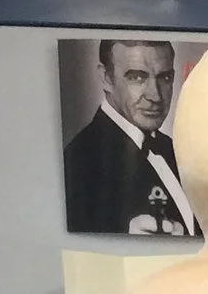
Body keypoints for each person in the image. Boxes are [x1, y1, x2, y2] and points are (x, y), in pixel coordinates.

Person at [61, 38, 200, 237]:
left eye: (165, 78)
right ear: (106, 78)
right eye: (137, 77)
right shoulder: (79, 163)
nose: (155, 96)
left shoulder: (175, 150)